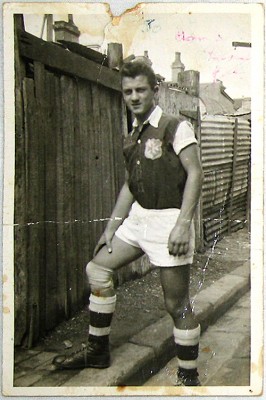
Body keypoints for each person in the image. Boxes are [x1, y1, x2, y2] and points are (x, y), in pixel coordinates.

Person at [53, 61, 204, 386]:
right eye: (128, 91)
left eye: (140, 90)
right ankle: (97, 350)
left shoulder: (175, 126)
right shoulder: (133, 135)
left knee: (176, 304)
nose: (134, 96)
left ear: (155, 90)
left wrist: (182, 224)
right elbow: (129, 185)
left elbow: (195, 173)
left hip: (169, 221)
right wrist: (111, 227)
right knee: (97, 268)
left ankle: (189, 379)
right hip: (138, 220)